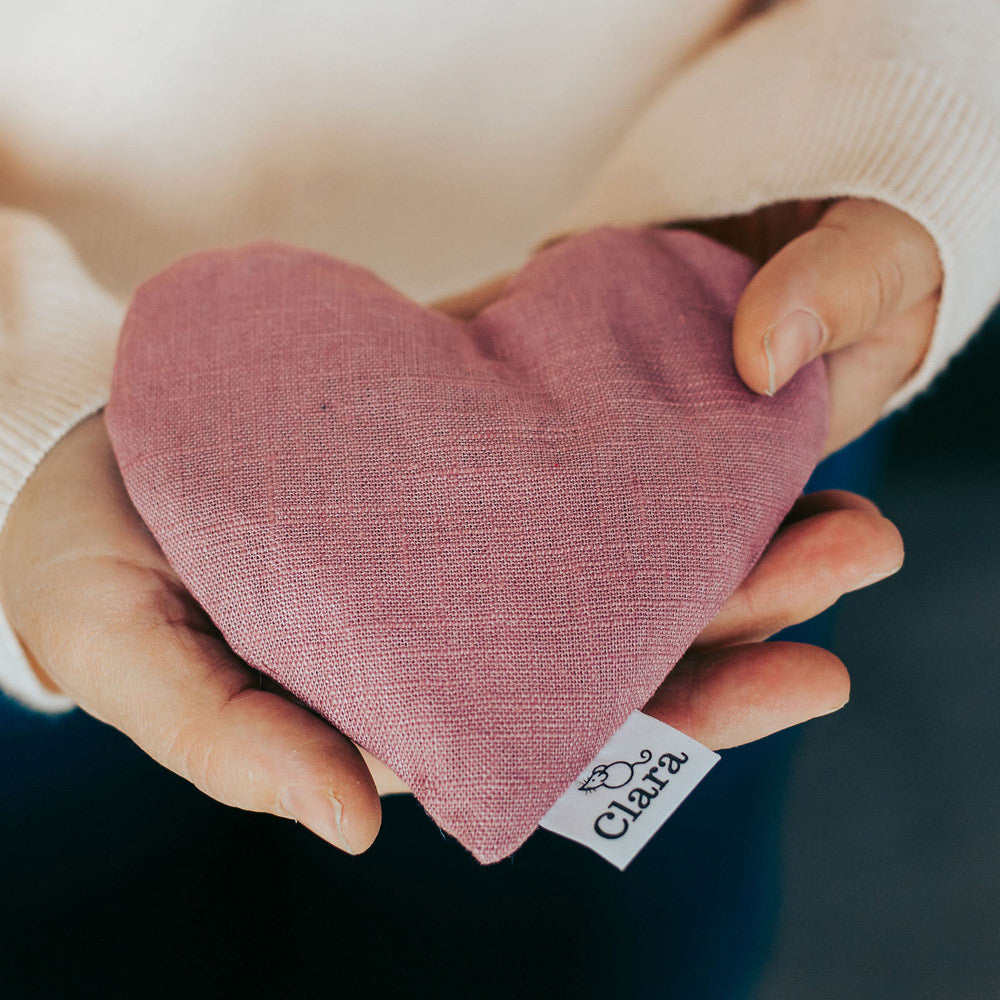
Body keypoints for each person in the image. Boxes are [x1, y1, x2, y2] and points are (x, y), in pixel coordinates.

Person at [0, 1, 997, 996]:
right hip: (52, 449)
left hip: (700, 370)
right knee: (81, 923)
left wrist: (894, 127)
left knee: (584, 949)